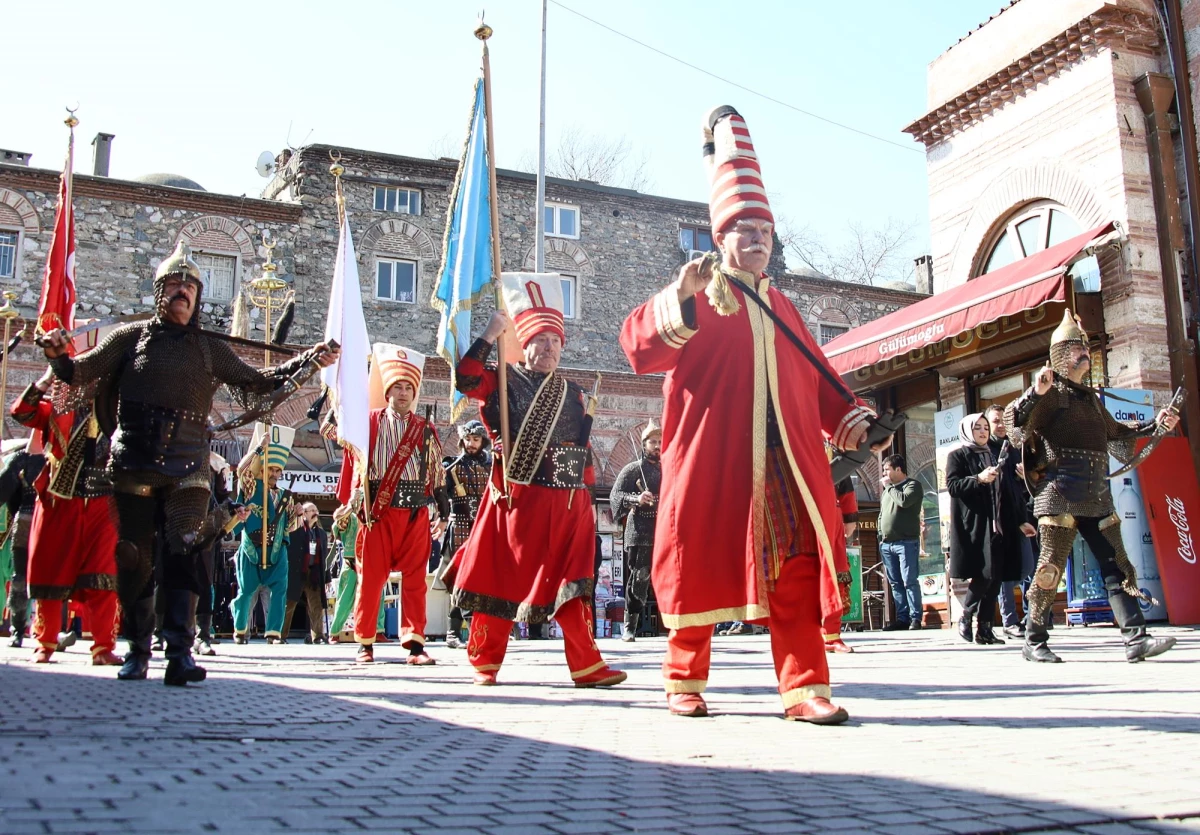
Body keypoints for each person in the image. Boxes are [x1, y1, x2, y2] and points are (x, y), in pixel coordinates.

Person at [620, 106, 882, 723]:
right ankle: (683, 679)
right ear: (721, 238)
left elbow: (822, 380)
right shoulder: (700, 296)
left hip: (787, 460)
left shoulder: (786, 308)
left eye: (765, 230)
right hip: (715, 458)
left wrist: (855, 420)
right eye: (745, 230)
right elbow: (637, 348)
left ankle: (805, 689)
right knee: (699, 559)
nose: (758, 239)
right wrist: (679, 297)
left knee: (795, 566)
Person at [38, 241, 338, 685]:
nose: (182, 291)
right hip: (133, 460)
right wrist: (57, 354)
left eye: (190, 286)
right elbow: (79, 373)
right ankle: (138, 652)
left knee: (186, 549)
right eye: (174, 284)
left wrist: (312, 360)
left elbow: (260, 381)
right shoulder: (128, 338)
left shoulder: (207, 349)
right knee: (133, 557)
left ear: (198, 297)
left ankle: (179, 652)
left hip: (188, 467)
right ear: (160, 290)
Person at [450, 273, 626, 688]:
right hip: (516, 497)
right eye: (540, 341)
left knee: (575, 583)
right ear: (524, 345)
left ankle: (587, 666)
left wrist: (583, 495)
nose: (548, 349)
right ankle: (485, 663)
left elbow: (578, 449)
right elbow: (465, 379)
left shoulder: (574, 393)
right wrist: (490, 334)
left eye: (555, 342)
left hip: (566, 504)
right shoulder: (500, 380)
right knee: (499, 578)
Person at [1005, 312, 1180, 663]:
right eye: (1074, 348)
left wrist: (1156, 424)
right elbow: (1015, 422)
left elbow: (1117, 436)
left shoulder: (1090, 399)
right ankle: (1034, 638)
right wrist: (1034, 392)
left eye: (1084, 346)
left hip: (1097, 494)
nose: (1082, 352)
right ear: (1058, 355)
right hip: (1060, 492)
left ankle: (1136, 638)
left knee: (1116, 565)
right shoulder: (1051, 394)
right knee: (1050, 567)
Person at [336, 344, 448, 665]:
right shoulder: (369, 421)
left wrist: (442, 508)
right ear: (387, 391)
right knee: (371, 578)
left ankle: (414, 644)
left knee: (415, 580)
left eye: (408, 388)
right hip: (378, 512)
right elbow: (346, 443)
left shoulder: (425, 429)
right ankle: (365, 643)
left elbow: (437, 472)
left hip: (414, 512)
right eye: (397, 387)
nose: (403, 393)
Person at [9, 368, 121, 665]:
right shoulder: (58, 406)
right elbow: (21, 412)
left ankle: (103, 648)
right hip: (60, 499)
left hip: (104, 500)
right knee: (51, 572)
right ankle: (44, 643)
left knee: (104, 576)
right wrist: (46, 379)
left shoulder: (119, 408)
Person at [947, 413, 1035, 646]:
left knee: (996, 578)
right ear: (967, 430)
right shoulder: (958, 455)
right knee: (983, 575)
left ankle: (985, 629)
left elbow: (1006, 494)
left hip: (1000, 525)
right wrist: (978, 478)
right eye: (978, 428)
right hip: (976, 525)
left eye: (985, 427)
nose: (983, 432)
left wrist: (1021, 520)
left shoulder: (994, 456)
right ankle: (966, 615)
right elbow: (953, 486)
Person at [229, 425, 294, 645]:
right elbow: (242, 471)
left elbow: (290, 526)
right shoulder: (251, 486)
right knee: (246, 590)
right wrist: (259, 448)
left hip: (278, 548)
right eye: (270, 470)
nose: (274, 474)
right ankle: (240, 629)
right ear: (263, 470)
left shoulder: (287, 496)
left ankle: (274, 633)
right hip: (252, 547)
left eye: (278, 471)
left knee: (280, 590)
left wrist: (298, 515)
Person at [983, 404, 1039, 639]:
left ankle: (1030, 616)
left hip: (1021, 512)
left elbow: (1035, 478)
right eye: (996, 421)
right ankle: (1009, 620)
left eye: (1004, 420)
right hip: (998, 517)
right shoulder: (986, 449)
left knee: (1028, 566)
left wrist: (1027, 474)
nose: (1001, 425)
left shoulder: (1017, 447)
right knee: (1005, 571)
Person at [439, 420, 492, 649]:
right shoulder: (451, 465)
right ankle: (453, 632)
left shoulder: (491, 465)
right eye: (468, 439)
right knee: (458, 579)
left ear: (483, 441)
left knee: (483, 579)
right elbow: (439, 491)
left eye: (476, 439)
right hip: (459, 525)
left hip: (482, 525)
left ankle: (485, 628)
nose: (471, 444)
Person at [608, 421, 662, 642]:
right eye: (653, 442)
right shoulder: (632, 470)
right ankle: (630, 626)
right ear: (644, 444)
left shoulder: (670, 468)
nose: (657, 446)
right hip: (640, 529)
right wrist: (636, 499)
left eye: (659, 442)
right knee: (640, 577)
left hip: (664, 529)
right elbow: (615, 496)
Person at [0, 442, 42, 648]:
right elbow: (3, 490)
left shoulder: (65, 455)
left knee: (52, 579)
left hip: (53, 521)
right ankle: (17, 629)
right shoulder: (21, 459)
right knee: (19, 580)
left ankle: (46, 633)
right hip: (26, 520)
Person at [878, 455, 924, 631]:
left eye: (887, 469)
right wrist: (880, 534)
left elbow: (904, 501)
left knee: (909, 580)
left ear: (898, 469)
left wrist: (889, 486)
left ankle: (915, 618)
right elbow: (882, 513)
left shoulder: (912, 485)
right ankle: (902, 619)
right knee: (895, 583)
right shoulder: (886, 492)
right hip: (887, 544)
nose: (884, 473)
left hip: (906, 542)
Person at [327, 504, 385, 642]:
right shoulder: (350, 516)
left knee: (379, 596)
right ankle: (334, 632)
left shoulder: (375, 515)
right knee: (345, 598)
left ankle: (379, 631)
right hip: (352, 562)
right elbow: (338, 521)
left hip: (371, 562)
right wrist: (351, 505)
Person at [283, 502, 328, 644]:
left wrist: (326, 577)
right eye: (311, 510)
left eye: (316, 510)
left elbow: (324, 556)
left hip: (314, 573)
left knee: (316, 605)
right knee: (289, 604)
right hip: (297, 571)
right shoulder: (295, 530)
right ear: (304, 513)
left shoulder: (321, 533)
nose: (315, 513)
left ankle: (318, 636)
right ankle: (281, 635)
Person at [824, 476, 859, 654]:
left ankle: (831, 635)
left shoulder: (831, 448)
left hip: (831, 516)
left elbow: (844, 480)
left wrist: (850, 516)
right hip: (800, 513)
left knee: (834, 575)